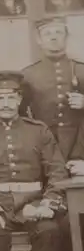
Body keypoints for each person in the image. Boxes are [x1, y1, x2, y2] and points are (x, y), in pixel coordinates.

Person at [0, 71, 68, 251]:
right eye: (0, 98)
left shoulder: (39, 130)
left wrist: (49, 203)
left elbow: (57, 172)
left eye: (11, 98)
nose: (5, 104)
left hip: (36, 202)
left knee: (51, 232)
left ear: (19, 99)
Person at [21, 16, 84, 161]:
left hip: (80, 143)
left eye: (58, 33)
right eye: (47, 34)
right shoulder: (28, 75)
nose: (53, 38)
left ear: (66, 37)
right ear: (39, 40)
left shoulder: (81, 69)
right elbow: (20, 115)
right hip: (44, 143)